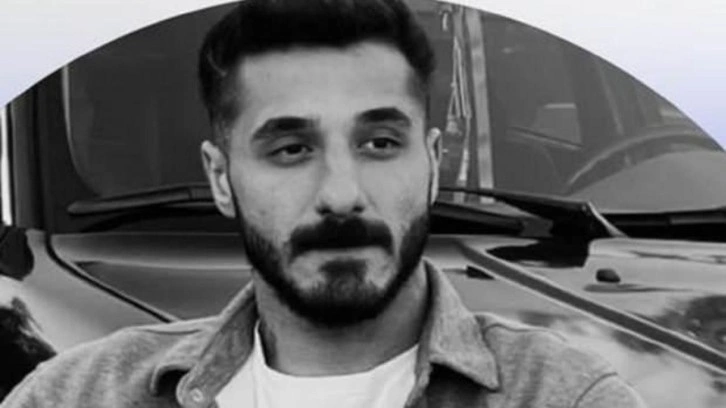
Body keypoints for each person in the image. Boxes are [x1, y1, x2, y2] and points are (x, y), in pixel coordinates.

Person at [1, 0, 646, 407]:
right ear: (221, 178)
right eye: (291, 149)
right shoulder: (77, 395)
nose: (341, 195)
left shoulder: (564, 396)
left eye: (380, 143)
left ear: (432, 164)